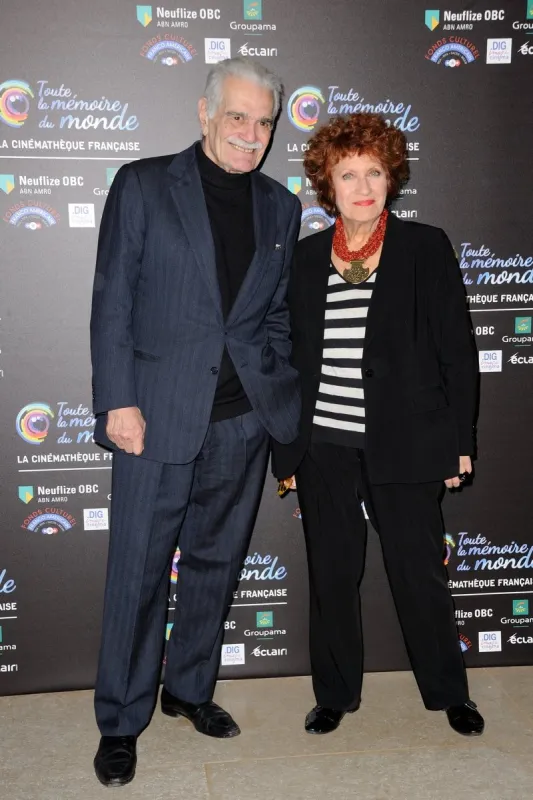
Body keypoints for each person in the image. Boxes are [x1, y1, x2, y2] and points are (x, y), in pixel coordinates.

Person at [90, 57, 301, 787]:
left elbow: (272, 319)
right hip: (153, 419)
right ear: (204, 113)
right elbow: (113, 299)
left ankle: (188, 689)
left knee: (215, 568)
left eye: (264, 121)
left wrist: (278, 411)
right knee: (138, 576)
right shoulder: (143, 185)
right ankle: (120, 720)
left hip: (241, 425)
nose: (250, 133)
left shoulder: (280, 205)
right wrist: (117, 401)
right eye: (237, 117)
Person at [272, 112, 484, 737]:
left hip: (408, 444)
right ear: (326, 184)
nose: (362, 186)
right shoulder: (306, 259)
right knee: (332, 577)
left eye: (374, 172)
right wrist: (288, 450)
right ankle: (334, 694)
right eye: (348, 174)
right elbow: (288, 359)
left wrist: (459, 444)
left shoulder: (426, 247)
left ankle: (449, 694)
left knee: (418, 575)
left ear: (391, 178)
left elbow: (458, 352)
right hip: (325, 448)